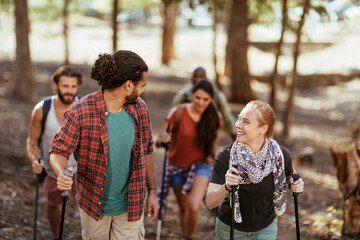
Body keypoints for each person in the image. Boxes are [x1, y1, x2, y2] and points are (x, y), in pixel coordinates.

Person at [48, 50, 159, 240]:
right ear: (128, 85)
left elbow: (147, 149)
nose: (142, 91)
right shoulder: (81, 111)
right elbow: (58, 150)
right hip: (93, 204)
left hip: (131, 203)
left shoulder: (140, 108)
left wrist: (153, 191)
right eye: (142, 86)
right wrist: (61, 173)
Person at [206, 100, 305, 240]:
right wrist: (227, 187)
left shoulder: (280, 156)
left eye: (246, 122)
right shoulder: (226, 156)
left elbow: (291, 178)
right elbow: (210, 202)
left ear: (263, 128)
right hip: (230, 230)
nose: (237, 125)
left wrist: (296, 184)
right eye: (239, 119)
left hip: (265, 229)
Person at [156, 79, 222, 240]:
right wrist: (162, 139)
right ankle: (186, 234)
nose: (201, 102)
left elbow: (213, 145)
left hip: (201, 164)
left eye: (205, 99)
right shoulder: (177, 112)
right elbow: (159, 141)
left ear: (211, 99)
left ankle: (188, 237)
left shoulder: (214, 117)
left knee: (193, 206)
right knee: (183, 208)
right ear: (192, 95)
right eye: (198, 97)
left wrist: (221, 161)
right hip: (176, 165)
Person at [26, 65, 83, 239]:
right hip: (53, 170)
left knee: (87, 208)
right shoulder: (42, 109)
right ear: (55, 85)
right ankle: (57, 235)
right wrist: (35, 160)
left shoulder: (83, 108)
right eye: (65, 86)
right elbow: (32, 141)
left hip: (81, 170)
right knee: (53, 204)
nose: (70, 91)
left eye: (73, 87)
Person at [171, 67, 236, 140]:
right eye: (195, 76)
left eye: (201, 76)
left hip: (209, 140)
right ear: (192, 78)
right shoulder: (182, 96)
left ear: (206, 78)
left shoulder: (218, 97)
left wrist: (237, 143)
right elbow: (172, 120)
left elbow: (228, 120)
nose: (198, 79)